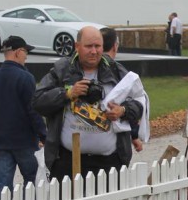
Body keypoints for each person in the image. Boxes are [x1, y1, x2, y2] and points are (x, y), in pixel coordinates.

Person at [32, 26, 143, 182]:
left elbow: (139, 103)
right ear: (77, 47)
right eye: (88, 46)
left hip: (109, 163)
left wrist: (122, 110)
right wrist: (67, 94)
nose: (94, 51)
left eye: (97, 46)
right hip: (67, 163)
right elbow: (37, 101)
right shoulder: (63, 70)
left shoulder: (115, 70)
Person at [0, 36, 47, 195]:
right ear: (18, 52)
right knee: (32, 181)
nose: (26, 56)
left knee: (3, 187)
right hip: (23, 140)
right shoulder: (26, 78)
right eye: (26, 52)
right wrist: (44, 135)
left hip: (0, 140)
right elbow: (33, 110)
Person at [102, 26, 148, 155]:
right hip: (114, 141)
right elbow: (132, 102)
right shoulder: (120, 72)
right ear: (115, 46)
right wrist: (134, 136)